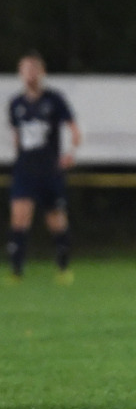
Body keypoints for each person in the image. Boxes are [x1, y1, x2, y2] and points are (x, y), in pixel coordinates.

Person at [7, 51, 81, 283]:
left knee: (56, 220)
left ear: (42, 72)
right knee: (19, 219)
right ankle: (16, 272)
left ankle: (63, 268)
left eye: (34, 69)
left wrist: (70, 154)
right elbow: (17, 137)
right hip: (25, 171)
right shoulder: (16, 104)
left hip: (49, 171)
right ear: (20, 73)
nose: (30, 74)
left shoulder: (54, 100)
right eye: (26, 69)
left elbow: (74, 130)